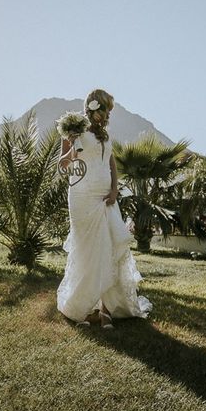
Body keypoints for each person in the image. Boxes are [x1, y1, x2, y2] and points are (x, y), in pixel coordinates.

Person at [56, 89, 152, 329]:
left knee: (109, 247)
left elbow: (111, 164)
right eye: (106, 108)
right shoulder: (72, 131)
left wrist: (114, 190)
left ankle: (107, 310)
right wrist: (72, 148)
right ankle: (85, 308)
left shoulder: (105, 135)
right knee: (87, 250)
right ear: (93, 107)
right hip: (80, 196)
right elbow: (63, 166)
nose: (107, 113)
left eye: (109, 110)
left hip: (105, 197)